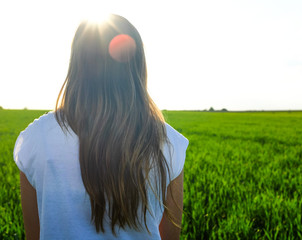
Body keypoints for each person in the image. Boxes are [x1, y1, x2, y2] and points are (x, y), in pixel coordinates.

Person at [13, 14, 189, 240]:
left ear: (77, 64)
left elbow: (34, 236)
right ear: (137, 67)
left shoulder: (36, 140)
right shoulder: (169, 143)